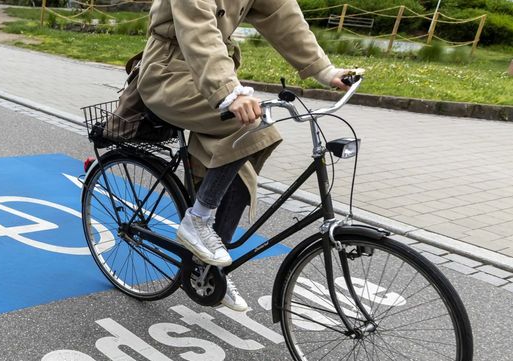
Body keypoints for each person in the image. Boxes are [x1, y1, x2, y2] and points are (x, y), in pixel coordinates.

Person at [137, 0, 353, 311]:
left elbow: (283, 17)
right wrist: (228, 90)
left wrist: (324, 70)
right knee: (255, 128)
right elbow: (197, 29)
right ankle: (196, 220)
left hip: (208, 73)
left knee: (244, 163)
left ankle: (209, 267)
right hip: (169, 74)